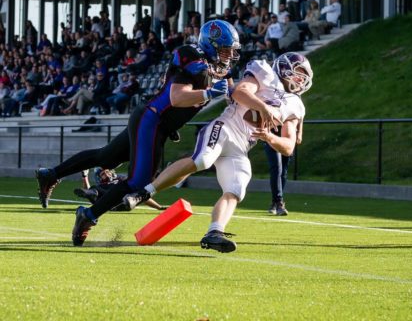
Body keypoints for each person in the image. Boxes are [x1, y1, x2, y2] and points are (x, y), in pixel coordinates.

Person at [35, 19, 241, 211]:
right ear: (211, 45)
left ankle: (52, 174)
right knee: (138, 179)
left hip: (154, 119)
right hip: (153, 118)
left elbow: (232, 93)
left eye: (231, 51)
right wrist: (209, 92)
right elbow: (177, 98)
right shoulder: (193, 58)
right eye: (225, 50)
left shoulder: (220, 66)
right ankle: (90, 213)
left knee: (106, 156)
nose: (230, 56)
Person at [121, 52, 314, 253]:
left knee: (237, 187)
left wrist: (269, 137)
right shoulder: (265, 73)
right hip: (225, 127)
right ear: (284, 67)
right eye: (299, 72)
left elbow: (289, 146)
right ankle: (143, 193)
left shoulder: (295, 104)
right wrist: (263, 107)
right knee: (203, 159)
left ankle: (214, 232)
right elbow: (240, 92)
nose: (301, 79)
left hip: (242, 146)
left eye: (303, 75)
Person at [74, 168, 166, 211]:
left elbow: (143, 196)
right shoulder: (102, 185)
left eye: (107, 172)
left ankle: (163, 174)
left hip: (126, 200)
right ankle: (89, 193)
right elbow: (89, 193)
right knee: (94, 191)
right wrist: (85, 177)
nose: (107, 174)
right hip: (112, 203)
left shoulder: (120, 178)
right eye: (103, 174)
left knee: (140, 190)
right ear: (99, 178)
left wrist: (159, 207)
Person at [264, 118, 303, 216]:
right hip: (272, 135)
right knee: (276, 168)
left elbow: (300, 116)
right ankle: (279, 203)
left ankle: (275, 201)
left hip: (288, 137)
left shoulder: (295, 103)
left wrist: (299, 133)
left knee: (283, 172)